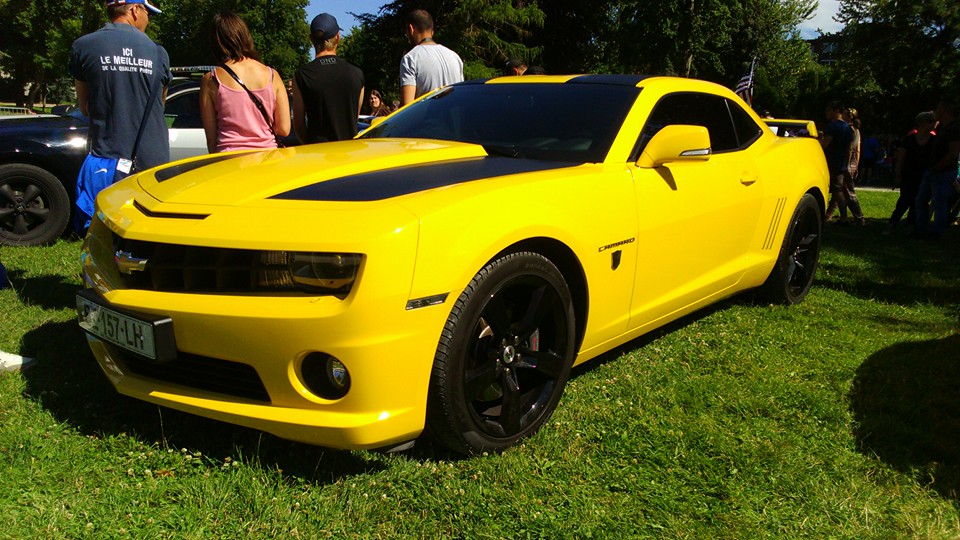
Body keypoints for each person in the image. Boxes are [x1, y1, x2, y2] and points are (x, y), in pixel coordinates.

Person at [69, 0, 171, 232]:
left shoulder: (83, 46)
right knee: (146, 227)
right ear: (135, 10)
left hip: (107, 155)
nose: (148, 20)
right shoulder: (158, 53)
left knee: (104, 227)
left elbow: (85, 107)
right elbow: (160, 104)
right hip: (150, 156)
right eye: (148, 14)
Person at [200, 11, 290, 153]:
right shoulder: (273, 75)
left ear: (216, 42)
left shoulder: (211, 79)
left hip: (229, 161)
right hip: (267, 161)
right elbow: (284, 129)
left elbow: (211, 138)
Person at [293, 13, 365, 143]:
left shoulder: (302, 75)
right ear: (337, 38)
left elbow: (299, 126)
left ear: (311, 39)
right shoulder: (357, 74)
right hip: (350, 154)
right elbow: (354, 118)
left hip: (317, 155)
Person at [913, 98, 960, 240]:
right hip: (932, 171)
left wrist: (938, 167)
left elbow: (953, 153)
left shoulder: (954, 129)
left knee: (939, 202)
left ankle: (937, 232)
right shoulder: (942, 128)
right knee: (921, 200)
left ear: (945, 110)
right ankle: (921, 228)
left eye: (938, 108)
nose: (935, 111)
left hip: (943, 172)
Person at [884, 111, 936, 234]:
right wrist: (898, 174)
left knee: (918, 202)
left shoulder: (935, 140)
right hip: (909, 174)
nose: (934, 124)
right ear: (922, 123)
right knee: (904, 200)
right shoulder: (909, 140)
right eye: (930, 121)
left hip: (925, 176)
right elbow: (900, 158)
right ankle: (892, 223)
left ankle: (910, 225)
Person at [399, 10, 463, 106]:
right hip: (454, 119)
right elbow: (461, 95)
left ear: (411, 28)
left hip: (427, 120)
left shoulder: (410, 59)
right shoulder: (454, 56)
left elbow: (407, 105)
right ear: (432, 31)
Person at [821, 101, 855, 224]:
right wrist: (846, 163)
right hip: (841, 162)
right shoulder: (848, 128)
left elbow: (825, 144)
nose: (827, 113)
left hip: (831, 161)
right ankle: (841, 216)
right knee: (838, 189)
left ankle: (844, 217)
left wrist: (818, 140)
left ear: (836, 111)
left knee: (836, 190)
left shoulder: (832, 126)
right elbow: (850, 149)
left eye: (829, 110)